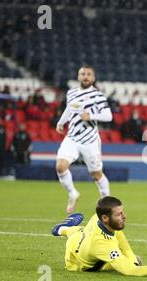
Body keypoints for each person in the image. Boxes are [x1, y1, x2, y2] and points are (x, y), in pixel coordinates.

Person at [51, 196, 147, 276]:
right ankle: (62, 228)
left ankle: (60, 228)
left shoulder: (99, 219)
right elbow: (129, 270)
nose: (124, 216)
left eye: (122, 212)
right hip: (77, 262)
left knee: (76, 231)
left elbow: (123, 244)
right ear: (105, 218)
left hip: (81, 237)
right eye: (119, 214)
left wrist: (132, 261)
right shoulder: (103, 245)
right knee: (118, 264)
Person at [55, 65, 112, 214]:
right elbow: (69, 109)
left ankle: (106, 200)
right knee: (60, 167)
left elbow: (108, 115)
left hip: (90, 140)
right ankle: (73, 193)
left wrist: (91, 116)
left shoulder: (98, 96)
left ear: (93, 78)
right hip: (72, 138)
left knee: (96, 174)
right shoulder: (71, 93)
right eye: (83, 74)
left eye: (89, 74)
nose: (85, 76)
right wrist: (61, 122)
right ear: (79, 77)